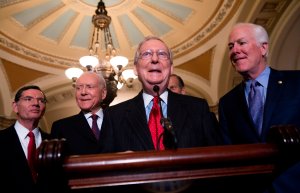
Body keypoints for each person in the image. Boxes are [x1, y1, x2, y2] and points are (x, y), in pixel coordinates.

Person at [100, 36, 221, 153]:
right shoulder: (113, 116)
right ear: (136, 69)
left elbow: (218, 158)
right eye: (146, 54)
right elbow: (103, 166)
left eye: (162, 54)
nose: (154, 59)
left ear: (171, 68)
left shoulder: (198, 109)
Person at [218, 22, 300, 144]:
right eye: (231, 46)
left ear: (263, 48)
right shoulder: (227, 102)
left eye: (242, 43)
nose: (234, 50)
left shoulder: (296, 82)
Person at [0, 85, 50, 193]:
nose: (36, 104)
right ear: (15, 106)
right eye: (28, 99)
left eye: (41, 100)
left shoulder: (53, 141)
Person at [50, 71, 107, 155]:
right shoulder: (61, 127)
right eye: (78, 88)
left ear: (103, 93)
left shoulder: (119, 121)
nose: (83, 92)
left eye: (89, 87)